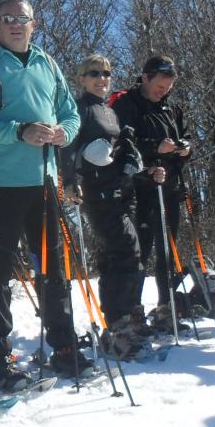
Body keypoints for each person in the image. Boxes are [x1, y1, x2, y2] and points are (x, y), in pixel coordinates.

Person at [0, 0, 87, 388]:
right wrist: (19, 130)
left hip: (46, 183)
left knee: (54, 268)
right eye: (7, 19)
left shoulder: (48, 64)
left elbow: (70, 113)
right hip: (1, 183)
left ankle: (62, 342)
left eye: (23, 19)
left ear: (34, 24)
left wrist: (62, 133)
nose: (15, 25)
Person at [61, 55, 146, 359]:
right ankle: (118, 324)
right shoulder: (80, 109)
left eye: (106, 73)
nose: (102, 78)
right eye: (94, 73)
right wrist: (70, 181)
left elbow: (116, 147)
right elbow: (68, 147)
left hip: (120, 189)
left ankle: (127, 319)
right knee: (125, 250)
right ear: (81, 78)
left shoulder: (109, 111)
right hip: (96, 193)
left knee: (123, 253)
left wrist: (130, 156)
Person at [111, 56, 193, 333]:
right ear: (145, 78)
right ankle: (133, 312)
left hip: (169, 185)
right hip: (138, 187)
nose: (163, 92)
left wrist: (183, 149)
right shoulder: (126, 103)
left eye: (167, 88)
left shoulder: (172, 109)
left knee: (168, 249)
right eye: (159, 87)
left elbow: (186, 137)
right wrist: (155, 147)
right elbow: (122, 143)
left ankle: (166, 306)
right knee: (140, 251)